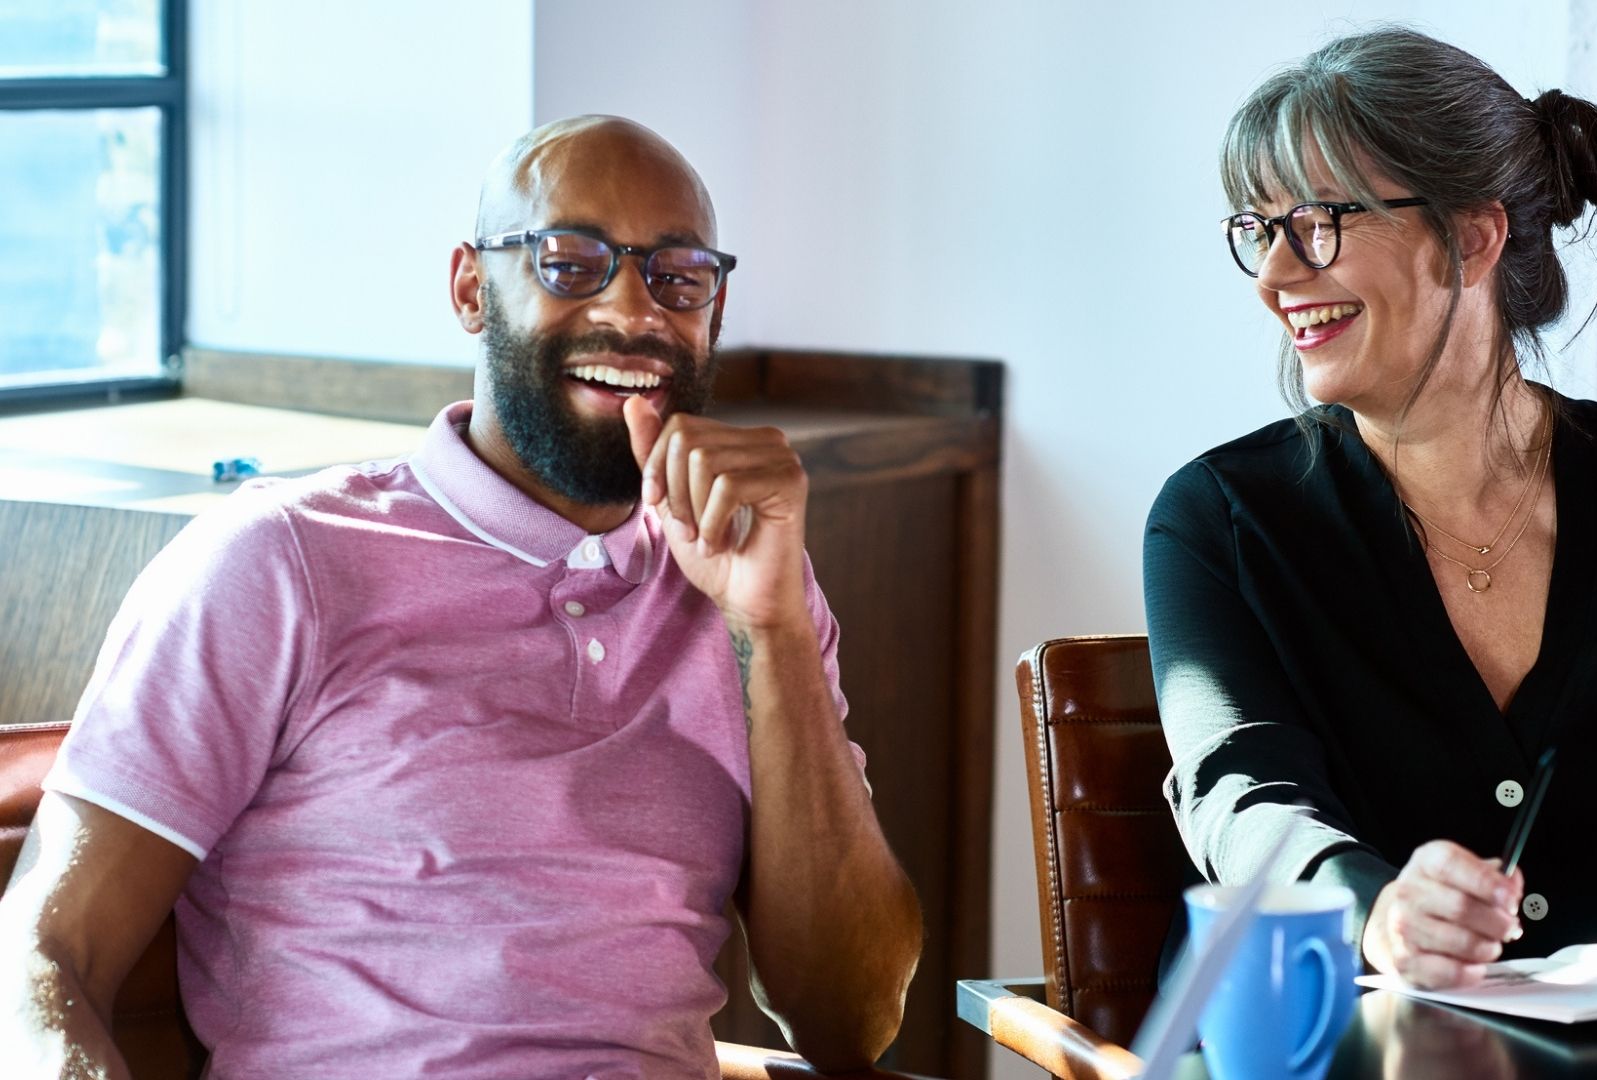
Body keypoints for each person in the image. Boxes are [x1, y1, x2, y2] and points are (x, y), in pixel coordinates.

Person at [0, 115, 922, 1078]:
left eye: (677, 277)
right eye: (571, 263)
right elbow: (39, 959)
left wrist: (773, 630)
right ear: (473, 290)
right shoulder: (279, 561)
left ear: (713, 313)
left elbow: (850, 1024)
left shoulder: (751, 586)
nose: (633, 308)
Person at [1144, 28, 1597, 992]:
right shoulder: (1219, 518)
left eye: (1319, 221)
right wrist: (1375, 910)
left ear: (1474, 237)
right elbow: (1244, 798)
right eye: (1259, 228)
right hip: (1333, 1042)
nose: (1277, 278)